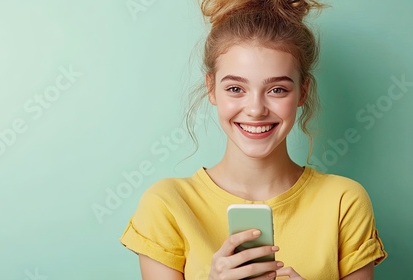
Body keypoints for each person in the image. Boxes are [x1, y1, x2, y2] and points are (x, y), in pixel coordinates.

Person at [120, 0, 387, 279]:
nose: (256, 109)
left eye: (277, 89)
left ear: (302, 92)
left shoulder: (344, 201)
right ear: (212, 88)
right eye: (236, 88)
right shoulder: (167, 205)